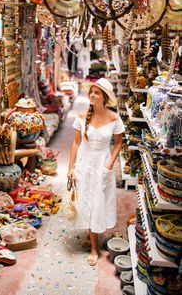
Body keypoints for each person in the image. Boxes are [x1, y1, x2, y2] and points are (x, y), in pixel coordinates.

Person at [67, 77, 125, 266]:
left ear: (105, 97)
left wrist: (110, 164)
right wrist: (70, 167)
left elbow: (118, 144)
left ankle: (94, 248)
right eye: (91, 91)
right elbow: (76, 143)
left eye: (97, 92)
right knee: (85, 199)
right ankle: (90, 237)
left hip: (102, 163)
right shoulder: (82, 117)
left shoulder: (114, 118)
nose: (92, 94)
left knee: (97, 202)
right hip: (84, 162)